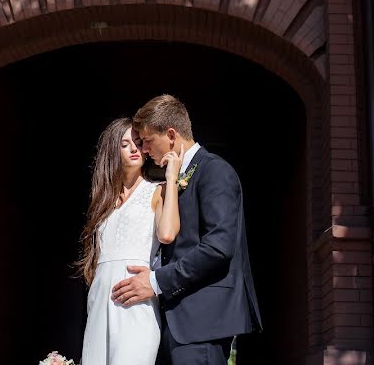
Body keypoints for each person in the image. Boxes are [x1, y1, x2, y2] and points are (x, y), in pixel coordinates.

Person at [111, 95, 262, 365]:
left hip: (202, 321)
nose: (144, 149)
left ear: (171, 135)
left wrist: (156, 280)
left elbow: (217, 248)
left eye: (146, 140)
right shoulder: (177, 174)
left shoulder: (215, 171)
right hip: (176, 321)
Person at [79, 117, 182, 365]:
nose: (135, 148)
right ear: (113, 150)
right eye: (125, 144)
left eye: (138, 142)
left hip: (136, 302)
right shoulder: (102, 203)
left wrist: (171, 178)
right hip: (99, 301)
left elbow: (167, 234)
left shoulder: (157, 190)